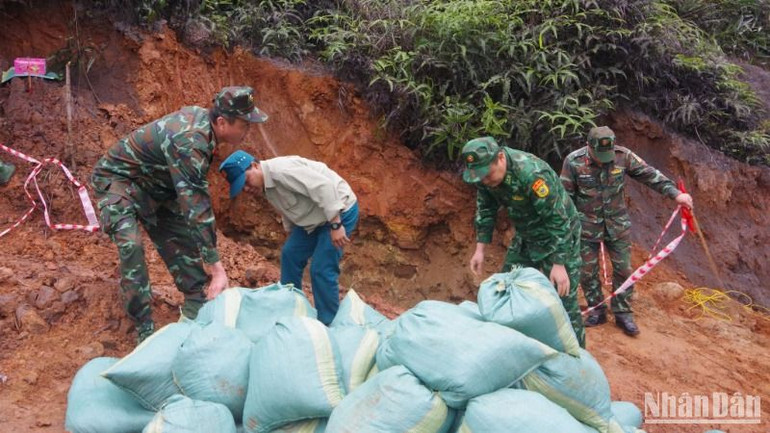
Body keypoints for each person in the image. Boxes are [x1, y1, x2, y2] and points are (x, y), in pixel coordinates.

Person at [91, 86, 268, 343]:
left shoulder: (205, 131)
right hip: (119, 182)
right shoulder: (190, 140)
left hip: (156, 187)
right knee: (132, 246)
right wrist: (217, 267)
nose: (247, 129)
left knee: (182, 242)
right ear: (221, 122)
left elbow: (190, 203)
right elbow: (195, 205)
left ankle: (198, 306)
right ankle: (144, 328)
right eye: (244, 124)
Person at [560, 126, 694, 336]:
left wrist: (676, 194)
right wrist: (567, 228)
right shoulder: (573, 161)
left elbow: (649, 175)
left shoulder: (623, 157)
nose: (605, 159)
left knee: (623, 269)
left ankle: (622, 312)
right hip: (586, 226)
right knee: (587, 271)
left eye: (608, 155)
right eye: (599, 155)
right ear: (589, 147)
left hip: (617, 225)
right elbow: (564, 197)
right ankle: (597, 310)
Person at [463, 136, 586, 348]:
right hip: (527, 236)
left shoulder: (531, 174)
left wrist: (559, 263)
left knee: (563, 301)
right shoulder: (484, 177)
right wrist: (480, 249)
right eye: (480, 177)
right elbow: (485, 210)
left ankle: (578, 358)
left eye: (488, 174)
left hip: (559, 237)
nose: (485, 181)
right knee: (507, 288)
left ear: (500, 158)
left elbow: (558, 220)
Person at [219, 150, 359, 325]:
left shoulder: (282, 171)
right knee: (290, 254)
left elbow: (323, 186)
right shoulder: (266, 184)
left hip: (339, 210)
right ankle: (290, 307)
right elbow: (287, 207)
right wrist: (292, 233)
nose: (246, 189)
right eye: (242, 187)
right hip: (314, 217)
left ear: (254, 165)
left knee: (321, 269)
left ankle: (328, 323)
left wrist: (336, 224)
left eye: (246, 181)